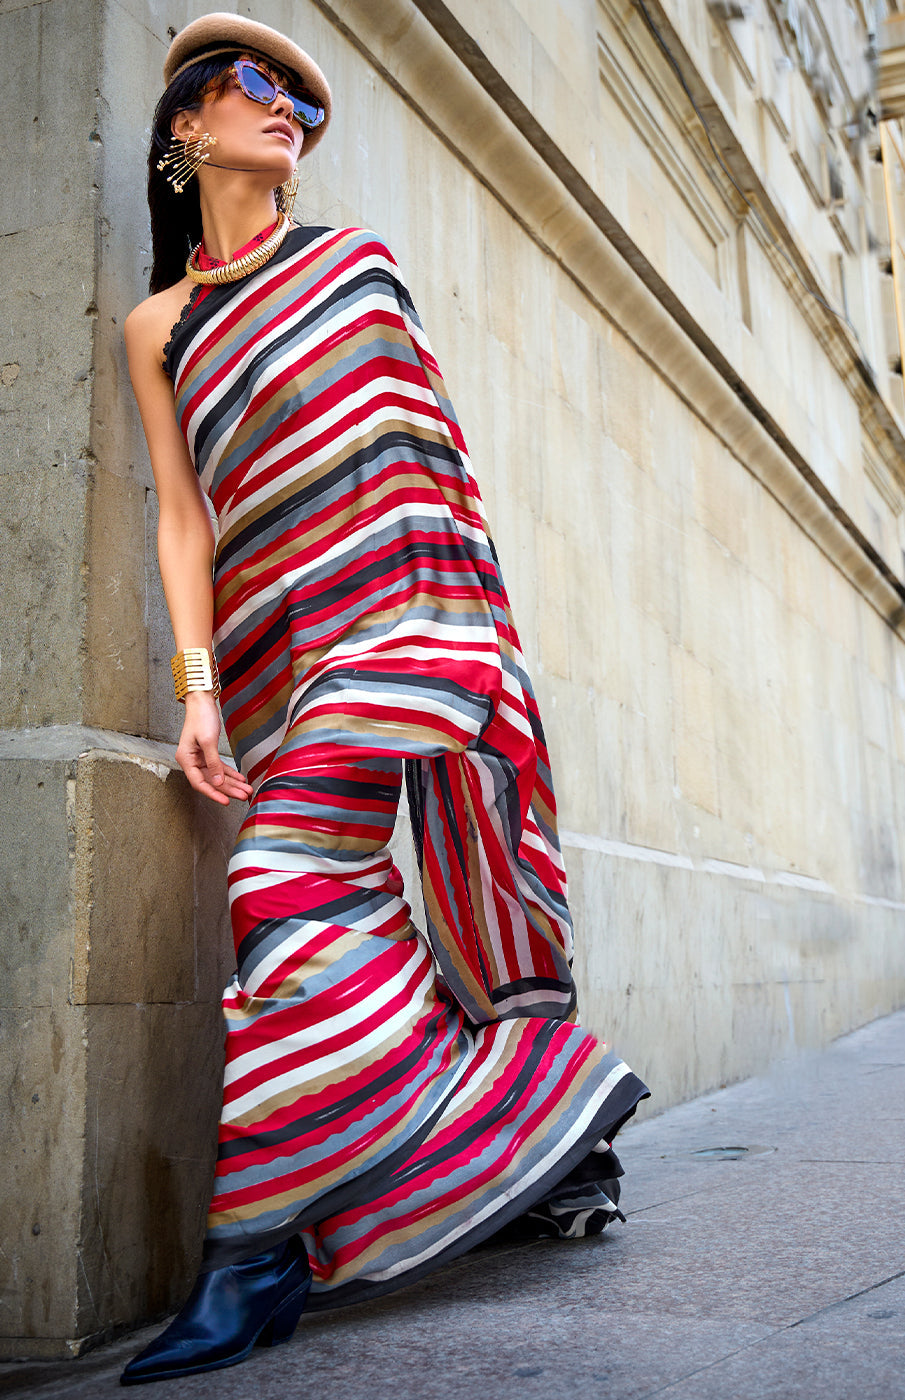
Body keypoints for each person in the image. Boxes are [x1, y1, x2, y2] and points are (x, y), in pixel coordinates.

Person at [121, 12, 648, 1385]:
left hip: (414, 626)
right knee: (327, 913)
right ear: (186, 123)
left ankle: (252, 1263)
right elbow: (188, 523)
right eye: (255, 84)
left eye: (302, 92)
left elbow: (422, 456)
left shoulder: (357, 268)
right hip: (285, 664)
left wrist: (463, 642)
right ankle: (544, 1120)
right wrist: (198, 696)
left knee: (275, 885)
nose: (287, 104)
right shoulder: (158, 326)